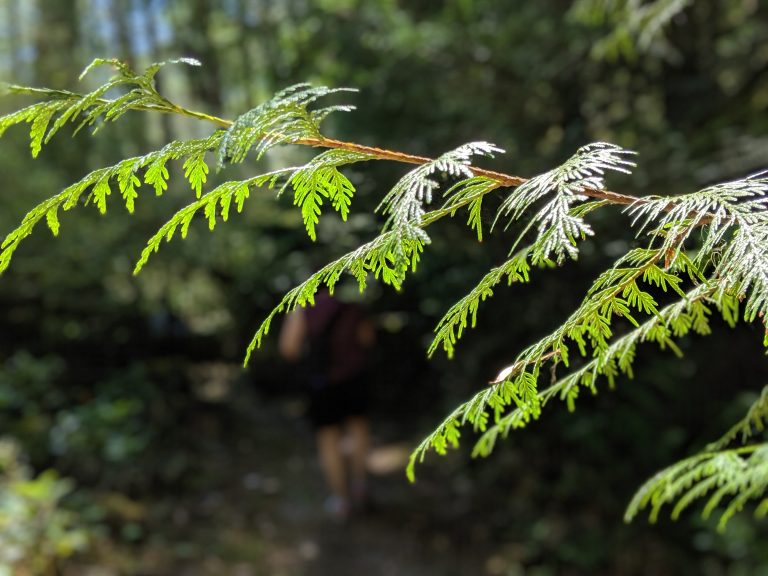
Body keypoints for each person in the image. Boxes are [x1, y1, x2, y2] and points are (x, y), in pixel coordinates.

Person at [279, 290, 375, 519]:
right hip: (354, 378)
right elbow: (367, 339)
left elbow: (288, 348)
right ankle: (359, 486)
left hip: (322, 383)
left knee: (328, 438)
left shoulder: (303, 307)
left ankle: (341, 499)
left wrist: (312, 355)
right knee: (358, 429)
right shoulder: (352, 303)